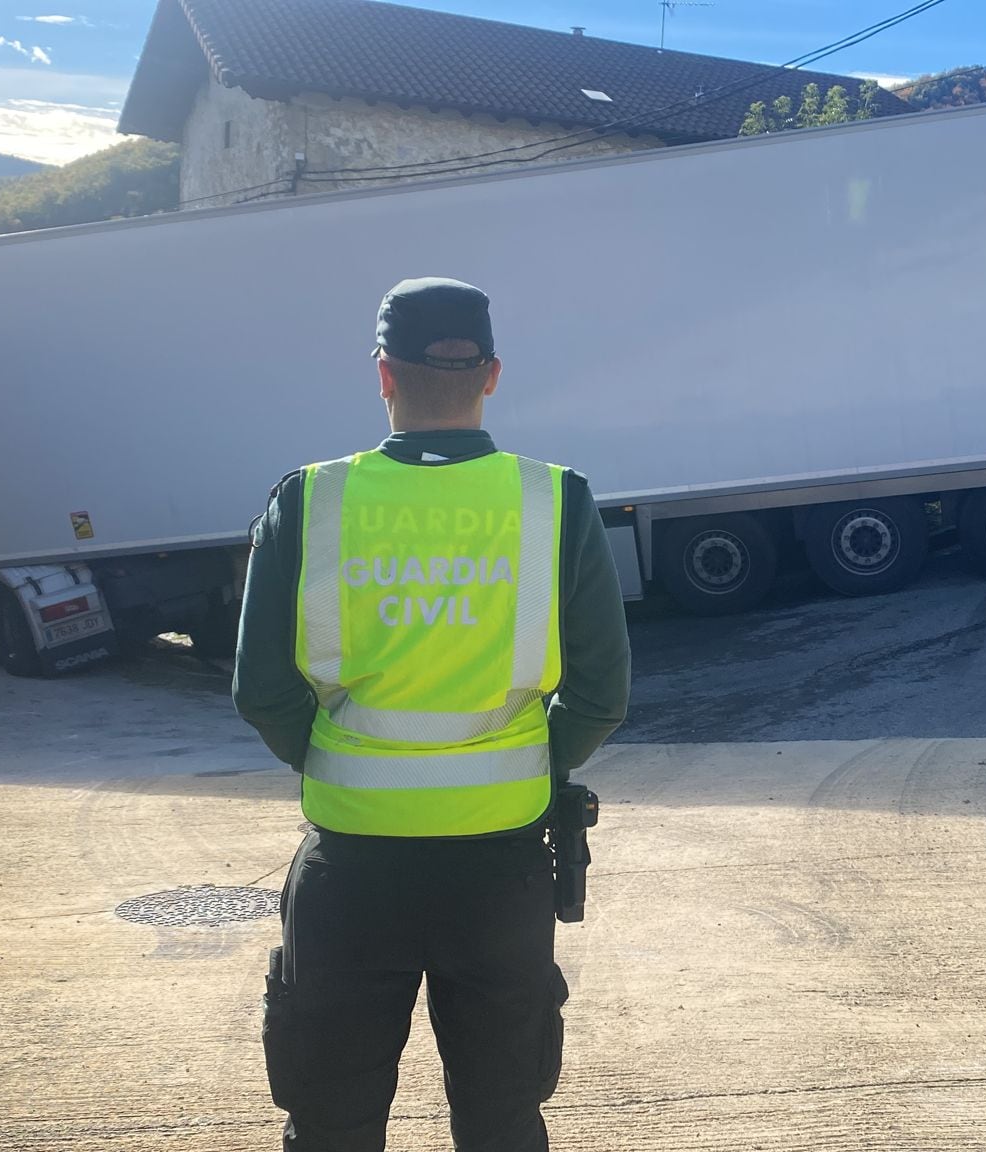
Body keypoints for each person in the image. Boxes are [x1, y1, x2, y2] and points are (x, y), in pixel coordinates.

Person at [232, 277, 631, 1152]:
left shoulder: (310, 501)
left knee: (332, 1122)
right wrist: (528, 763)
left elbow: (261, 688)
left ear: (384, 375)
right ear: (491, 375)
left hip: (352, 870)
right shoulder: (554, 501)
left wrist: (339, 761)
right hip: (499, 871)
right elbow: (601, 693)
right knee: (500, 1116)